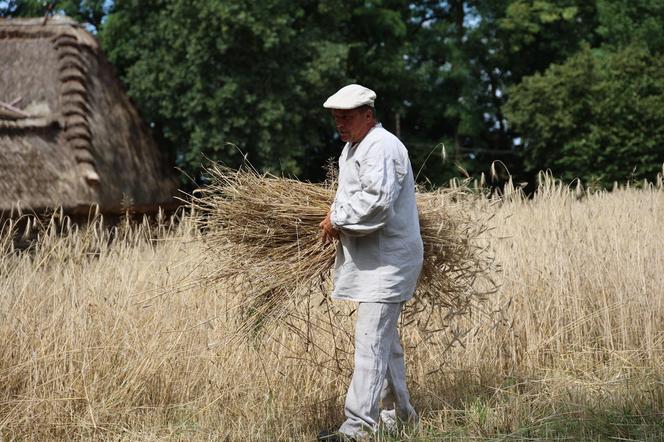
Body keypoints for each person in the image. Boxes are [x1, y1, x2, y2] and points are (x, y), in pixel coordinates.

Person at [318, 84, 423, 441]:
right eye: (336, 118)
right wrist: (338, 216)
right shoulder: (354, 148)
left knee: (370, 344)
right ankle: (402, 419)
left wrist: (337, 219)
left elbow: (376, 203)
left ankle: (357, 428)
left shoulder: (381, 146)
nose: (340, 124)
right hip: (375, 262)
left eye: (346, 117)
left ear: (368, 114)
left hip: (388, 263)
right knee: (385, 345)